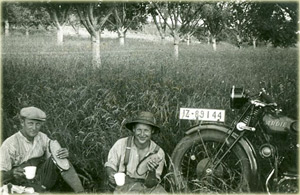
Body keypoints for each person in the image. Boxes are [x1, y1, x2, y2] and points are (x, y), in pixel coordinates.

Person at [0, 106, 84, 193]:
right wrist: (12, 173)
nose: (34, 128)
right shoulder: (10, 144)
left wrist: (62, 153)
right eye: (30, 123)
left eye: (38, 124)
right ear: (22, 122)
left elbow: (54, 158)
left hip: (40, 178)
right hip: (20, 183)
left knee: (59, 157)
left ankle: (80, 192)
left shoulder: (42, 137)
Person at [105, 111, 167, 194]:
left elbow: (151, 184)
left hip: (149, 189)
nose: (142, 134)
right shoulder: (121, 144)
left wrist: (152, 171)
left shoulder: (158, 152)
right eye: (139, 130)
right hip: (124, 187)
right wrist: (111, 174)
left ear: (152, 131)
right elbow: (110, 165)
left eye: (146, 130)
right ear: (133, 129)